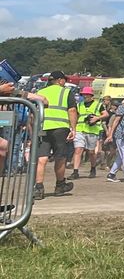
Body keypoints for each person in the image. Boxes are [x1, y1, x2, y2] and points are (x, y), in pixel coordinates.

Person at [29, 70, 78, 200]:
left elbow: (33, 113)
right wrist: (73, 129)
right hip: (60, 128)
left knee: (42, 158)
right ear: (60, 80)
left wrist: (33, 130)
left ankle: (38, 188)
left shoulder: (40, 93)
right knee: (60, 157)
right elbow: (72, 110)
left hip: (42, 128)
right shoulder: (66, 92)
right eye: (65, 80)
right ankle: (60, 185)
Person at [70, 85, 107, 179]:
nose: (85, 96)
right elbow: (75, 116)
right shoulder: (79, 105)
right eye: (84, 94)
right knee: (78, 150)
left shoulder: (98, 105)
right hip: (80, 129)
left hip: (92, 130)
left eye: (87, 94)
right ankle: (75, 172)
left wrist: (97, 118)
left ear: (91, 95)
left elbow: (106, 114)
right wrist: (72, 127)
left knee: (91, 152)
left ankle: (93, 168)